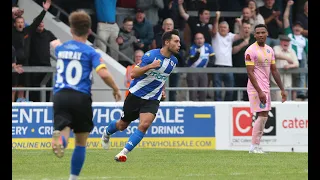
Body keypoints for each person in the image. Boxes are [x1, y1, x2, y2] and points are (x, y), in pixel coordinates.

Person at [50, 10, 122, 180]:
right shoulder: (91, 52)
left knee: (64, 128)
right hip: (80, 97)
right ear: (89, 30)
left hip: (60, 95)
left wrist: (55, 41)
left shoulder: (61, 49)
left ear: (71, 29)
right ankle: (73, 178)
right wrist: (115, 88)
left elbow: (55, 44)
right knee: (81, 143)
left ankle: (60, 141)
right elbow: (103, 73)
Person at [101, 30, 181, 162]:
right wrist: (150, 66)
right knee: (122, 125)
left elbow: (162, 77)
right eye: (176, 41)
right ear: (167, 42)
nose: (179, 44)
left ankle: (123, 152)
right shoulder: (151, 55)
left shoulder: (174, 61)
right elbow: (133, 73)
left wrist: (163, 89)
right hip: (136, 95)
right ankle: (107, 132)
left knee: (144, 125)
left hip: (153, 98)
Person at [244, 24, 286, 153]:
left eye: (263, 32)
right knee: (262, 115)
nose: (261, 35)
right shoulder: (250, 51)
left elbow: (274, 70)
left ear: (267, 33)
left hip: (265, 88)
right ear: (254, 35)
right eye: (258, 33)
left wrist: (282, 89)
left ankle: (256, 145)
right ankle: (253, 146)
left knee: (264, 115)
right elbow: (250, 73)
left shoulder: (270, 50)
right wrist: (260, 91)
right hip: (256, 88)